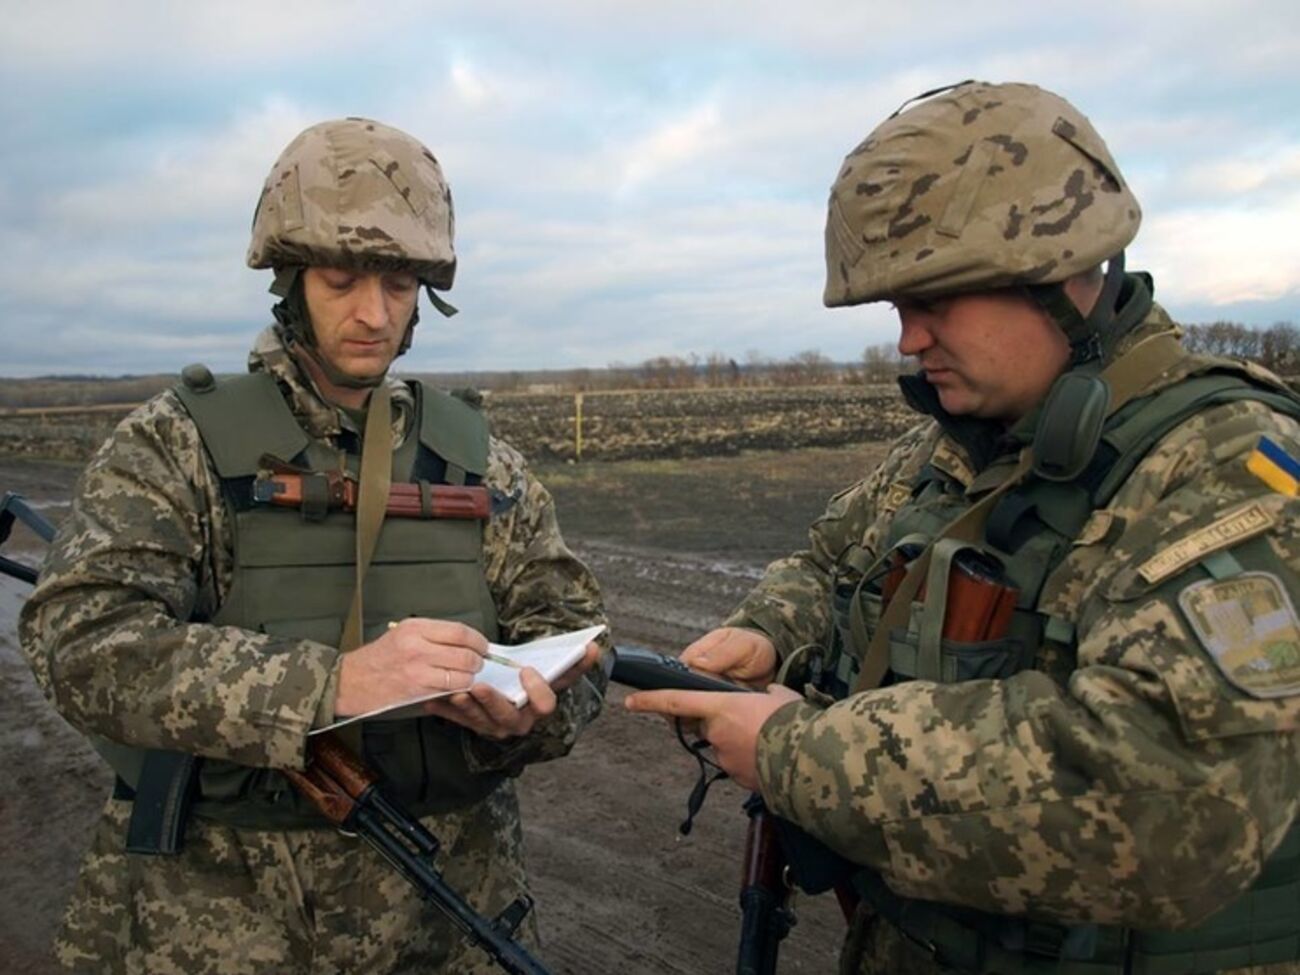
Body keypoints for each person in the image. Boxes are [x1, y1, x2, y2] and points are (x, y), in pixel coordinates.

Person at [626, 81, 1300, 974]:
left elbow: (1171, 799)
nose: (908, 340)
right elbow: (831, 564)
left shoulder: (1232, 462)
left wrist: (795, 753)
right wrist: (767, 629)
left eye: (932, 300)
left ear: (1059, 270)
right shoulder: (956, 449)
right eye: (897, 309)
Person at [20, 117, 607, 974]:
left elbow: (580, 634)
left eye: (400, 283)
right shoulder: (175, 445)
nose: (373, 313)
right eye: (341, 280)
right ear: (292, 280)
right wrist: (330, 685)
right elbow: (78, 643)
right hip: (222, 920)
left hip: (451, 915)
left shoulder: (479, 459)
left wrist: (527, 712)